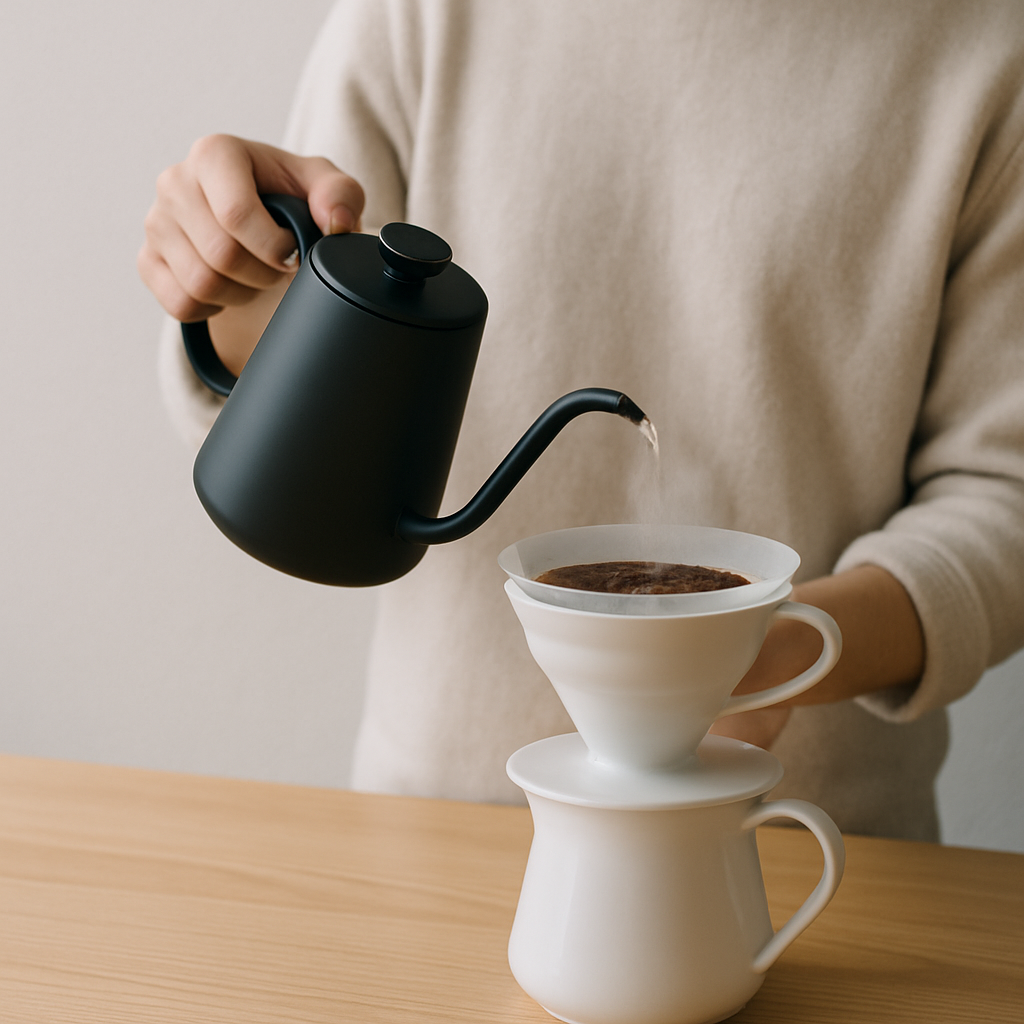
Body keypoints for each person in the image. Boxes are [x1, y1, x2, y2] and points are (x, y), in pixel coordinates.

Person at [139, 0, 1024, 841]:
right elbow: (293, 407)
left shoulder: (986, 50)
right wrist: (229, 280)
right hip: (435, 831)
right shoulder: (425, 16)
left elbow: (1004, 496)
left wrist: (780, 649)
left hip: (811, 851)